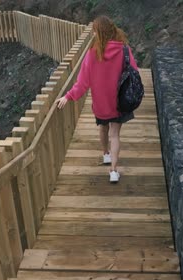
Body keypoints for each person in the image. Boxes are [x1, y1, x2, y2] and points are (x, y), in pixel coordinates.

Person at [55, 16, 138, 184]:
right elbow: (134, 71)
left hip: (101, 102)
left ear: (98, 33)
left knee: (103, 128)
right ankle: (113, 171)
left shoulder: (93, 53)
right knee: (115, 135)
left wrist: (68, 96)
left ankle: (105, 154)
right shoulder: (124, 49)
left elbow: (83, 82)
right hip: (119, 101)